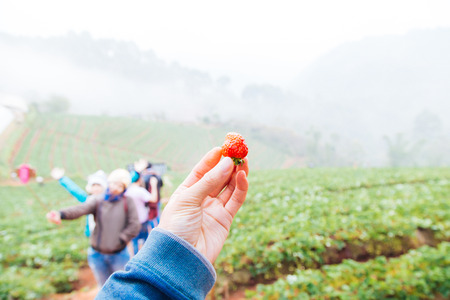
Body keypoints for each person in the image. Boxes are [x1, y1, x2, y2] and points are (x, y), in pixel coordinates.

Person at [96, 147, 249, 299]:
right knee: (143, 239)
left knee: (137, 245)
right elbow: (152, 199)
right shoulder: (135, 192)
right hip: (144, 222)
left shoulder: (122, 195)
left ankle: (136, 258)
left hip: (136, 226)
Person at [46, 168, 141, 286]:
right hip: (97, 255)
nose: (115, 187)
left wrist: (121, 239)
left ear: (124, 188)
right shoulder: (99, 200)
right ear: (109, 183)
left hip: (118, 254)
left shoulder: (127, 202)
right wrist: (61, 214)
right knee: (103, 287)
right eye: (113, 183)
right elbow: (80, 209)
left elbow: (135, 225)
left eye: (120, 185)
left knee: (121, 288)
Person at [50, 167, 107, 237]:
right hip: (93, 236)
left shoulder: (108, 201)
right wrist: (61, 179)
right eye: (93, 185)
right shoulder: (88, 200)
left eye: (98, 185)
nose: (96, 188)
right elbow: (74, 190)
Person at [126, 170, 156, 255]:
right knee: (145, 242)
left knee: (134, 242)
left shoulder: (126, 191)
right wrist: (153, 185)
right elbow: (153, 199)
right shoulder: (140, 191)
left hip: (131, 221)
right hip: (142, 220)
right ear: (139, 179)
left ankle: (135, 259)